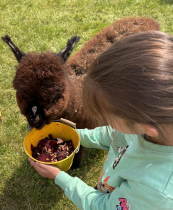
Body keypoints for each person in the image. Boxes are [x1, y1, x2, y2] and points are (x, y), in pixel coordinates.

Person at [29, 30, 173, 209]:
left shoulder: (154, 190)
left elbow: (102, 206)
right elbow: (113, 134)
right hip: (112, 186)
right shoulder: (149, 123)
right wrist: (75, 136)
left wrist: (60, 177)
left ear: (145, 127)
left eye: (106, 117)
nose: (105, 122)